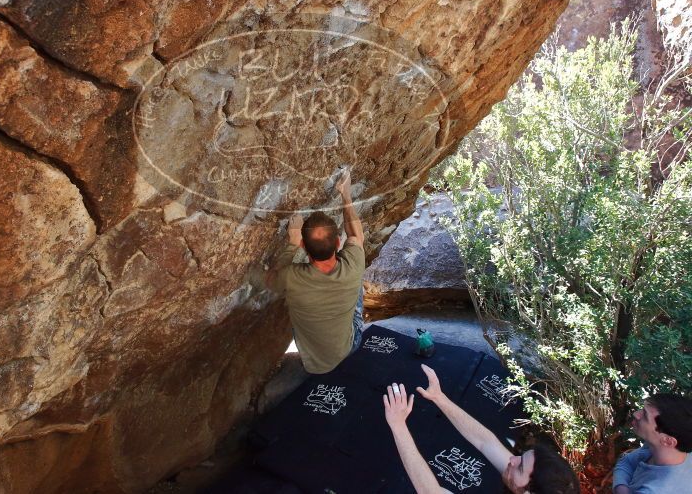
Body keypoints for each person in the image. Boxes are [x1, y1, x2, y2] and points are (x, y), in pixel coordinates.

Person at [383, 365, 579, 494]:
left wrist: (398, 425)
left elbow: (429, 491)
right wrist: (439, 398)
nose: (511, 459)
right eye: (521, 456)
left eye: (520, 467)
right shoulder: (531, 485)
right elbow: (486, 442)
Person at [268, 169, 365, 374]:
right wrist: (345, 194)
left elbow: (271, 280)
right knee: (357, 274)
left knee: (296, 300)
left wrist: (291, 243)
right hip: (349, 345)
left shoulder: (291, 276)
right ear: (338, 242)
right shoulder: (353, 265)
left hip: (312, 362)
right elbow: (356, 236)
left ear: (304, 246)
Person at [612, 393, 692, 493]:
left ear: (668, 441)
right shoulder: (655, 447)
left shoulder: (656, 490)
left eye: (645, 416)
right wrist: (622, 489)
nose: (636, 414)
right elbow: (626, 462)